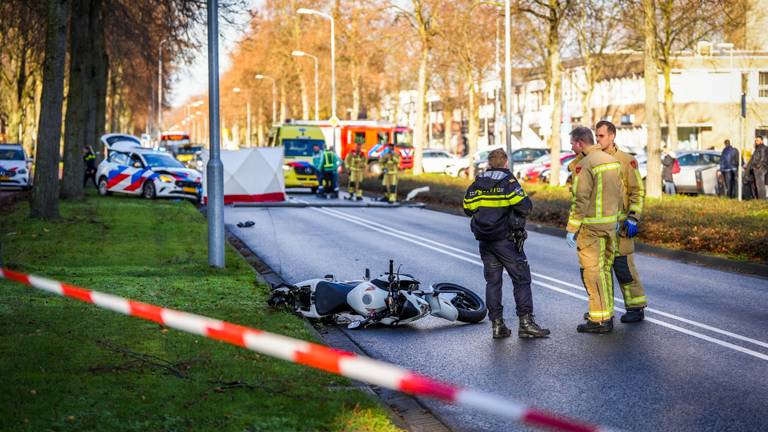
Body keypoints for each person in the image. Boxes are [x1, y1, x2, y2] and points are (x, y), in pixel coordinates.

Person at [463, 148, 550, 339]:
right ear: (505, 162)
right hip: (506, 240)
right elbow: (525, 207)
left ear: (489, 163)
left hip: (485, 241)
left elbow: (468, 208)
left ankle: (497, 325)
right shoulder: (509, 182)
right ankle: (526, 324)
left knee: (493, 282)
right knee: (521, 279)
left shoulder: (478, 182)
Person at [565, 126, 623, 333]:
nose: (571, 147)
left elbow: (580, 200)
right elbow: (620, 193)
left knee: (592, 274)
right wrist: (618, 217)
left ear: (580, 143)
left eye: (572, 143)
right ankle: (607, 313)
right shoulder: (611, 161)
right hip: (609, 226)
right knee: (605, 271)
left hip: (591, 228)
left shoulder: (585, 165)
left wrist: (572, 227)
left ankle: (598, 320)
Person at [595, 121, 647, 322]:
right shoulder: (594, 160)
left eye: (601, 136)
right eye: (596, 136)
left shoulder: (626, 161)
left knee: (623, 267)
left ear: (612, 136)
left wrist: (633, 217)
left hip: (620, 228)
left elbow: (637, 191)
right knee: (600, 272)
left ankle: (635, 307)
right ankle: (602, 310)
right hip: (599, 227)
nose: (598, 140)